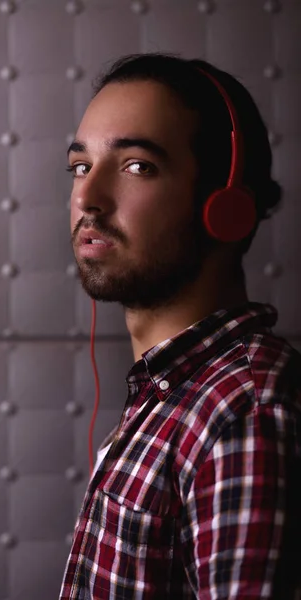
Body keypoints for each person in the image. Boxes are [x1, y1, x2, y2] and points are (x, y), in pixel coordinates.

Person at [59, 53, 301, 599]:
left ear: (226, 205)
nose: (85, 199)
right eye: (80, 166)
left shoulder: (245, 414)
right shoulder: (173, 393)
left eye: (136, 165)